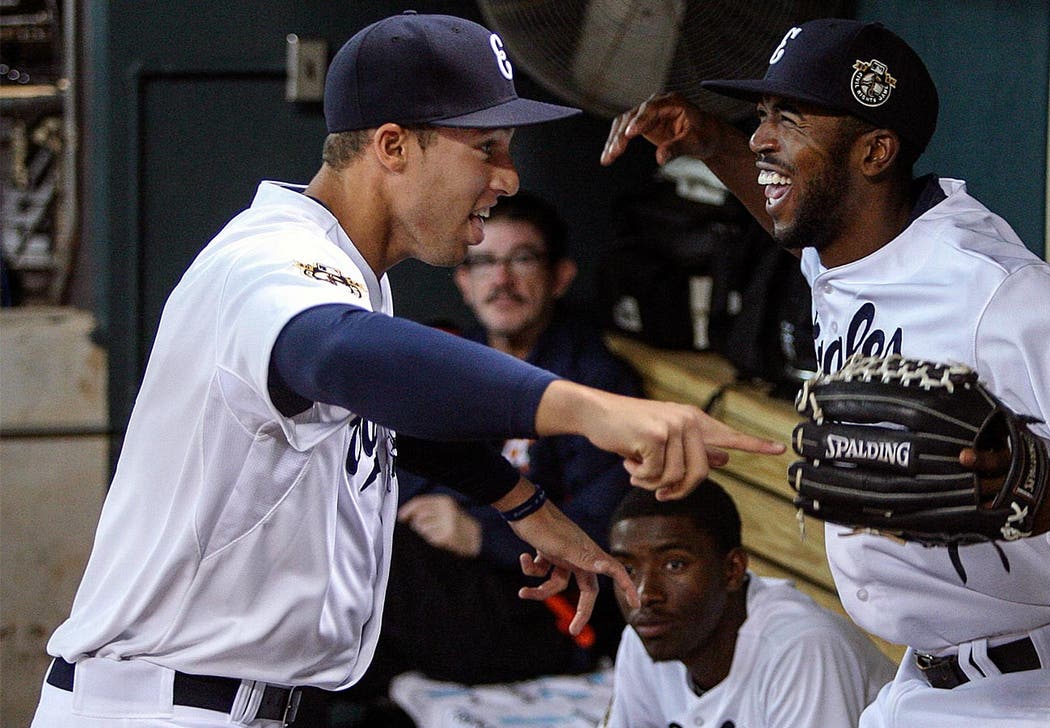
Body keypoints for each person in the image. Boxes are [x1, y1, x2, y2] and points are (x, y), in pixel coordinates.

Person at [31, 12, 784, 728]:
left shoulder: (352, 271)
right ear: (393, 146)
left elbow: (379, 410)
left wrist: (519, 500)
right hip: (166, 705)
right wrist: (588, 408)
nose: (508, 177)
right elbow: (342, 355)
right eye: (485, 147)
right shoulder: (269, 261)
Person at [600, 18, 1050, 727]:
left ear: (875, 151)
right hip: (937, 685)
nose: (761, 138)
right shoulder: (846, 251)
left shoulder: (987, 287)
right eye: (759, 117)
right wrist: (710, 140)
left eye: (790, 119)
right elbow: (804, 237)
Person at [350, 193, 640, 702]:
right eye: (483, 261)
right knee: (337, 544)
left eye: (522, 259)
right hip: (447, 588)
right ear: (464, 281)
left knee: (367, 577)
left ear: (561, 276)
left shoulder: (597, 387)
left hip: (545, 617)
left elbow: (602, 538)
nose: (501, 279)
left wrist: (479, 534)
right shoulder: (451, 361)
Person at [602, 480, 896, 728]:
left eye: (674, 565)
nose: (643, 594)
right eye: (626, 570)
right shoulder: (645, 636)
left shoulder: (802, 647)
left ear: (732, 569)